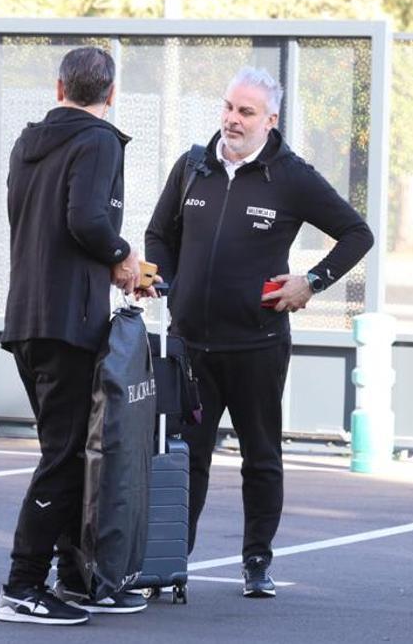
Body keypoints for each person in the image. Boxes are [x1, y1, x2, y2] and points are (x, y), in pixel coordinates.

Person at [144, 67, 374, 598]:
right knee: (185, 459)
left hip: (257, 346)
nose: (232, 119)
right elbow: (160, 235)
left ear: (270, 120)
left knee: (261, 457)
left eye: (246, 112)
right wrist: (166, 284)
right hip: (190, 349)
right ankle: (172, 563)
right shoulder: (192, 168)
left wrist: (311, 282)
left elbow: (356, 233)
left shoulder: (292, 176)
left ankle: (256, 563)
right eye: (228, 107)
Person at [0, 46, 149, 626]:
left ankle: (77, 578)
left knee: (69, 453)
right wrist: (123, 257)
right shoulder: (100, 140)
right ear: (110, 94)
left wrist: (108, 260)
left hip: (29, 318)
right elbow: (85, 221)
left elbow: (45, 227)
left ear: (59, 87)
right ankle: (23, 586)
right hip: (68, 324)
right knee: (64, 456)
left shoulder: (27, 143)